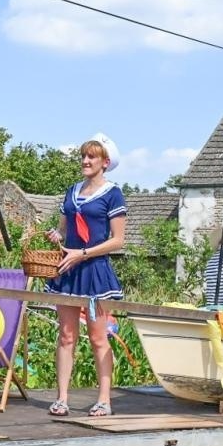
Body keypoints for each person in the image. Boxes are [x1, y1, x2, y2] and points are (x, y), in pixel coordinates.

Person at [44, 134, 127, 418]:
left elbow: (118, 240)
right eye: (83, 156)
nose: (85, 160)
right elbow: (64, 230)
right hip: (69, 269)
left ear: (105, 162)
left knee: (98, 337)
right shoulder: (72, 191)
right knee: (66, 335)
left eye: (91, 156)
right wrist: (56, 236)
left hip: (94, 271)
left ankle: (104, 400)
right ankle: (61, 398)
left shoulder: (113, 194)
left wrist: (84, 253)